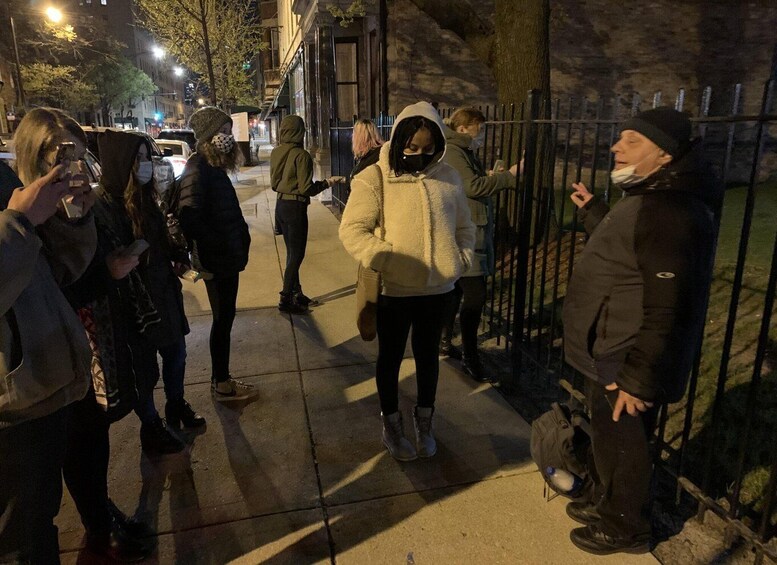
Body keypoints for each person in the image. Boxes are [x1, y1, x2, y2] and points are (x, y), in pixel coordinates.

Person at [562, 107, 716, 555]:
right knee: (606, 435)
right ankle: (603, 500)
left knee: (624, 443)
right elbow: (631, 251)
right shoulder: (651, 196)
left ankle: (625, 527)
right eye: (620, 137)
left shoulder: (670, 209)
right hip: (610, 340)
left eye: (632, 140)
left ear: (664, 155)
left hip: (627, 350)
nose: (617, 146)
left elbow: (669, 305)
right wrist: (596, 212)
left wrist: (638, 376)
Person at [339, 101, 476, 462]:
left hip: (438, 290)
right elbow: (353, 230)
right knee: (390, 359)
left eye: (427, 148)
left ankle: (425, 422)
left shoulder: (448, 177)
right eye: (412, 147)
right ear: (399, 140)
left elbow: (465, 227)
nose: (418, 155)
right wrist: (387, 259)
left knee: (429, 358)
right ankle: (392, 425)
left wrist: (459, 260)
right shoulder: (375, 177)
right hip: (394, 292)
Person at [0, 109, 97, 563]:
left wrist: (73, 220)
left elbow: (57, 274)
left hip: (44, 389)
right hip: (14, 406)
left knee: (39, 524)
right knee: (21, 542)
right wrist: (19, 222)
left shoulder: (6, 183)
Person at [94, 129, 205, 452]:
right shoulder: (103, 206)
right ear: (122, 163)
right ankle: (151, 425)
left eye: (146, 157)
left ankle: (176, 404)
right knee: (143, 370)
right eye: (138, 159)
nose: (145, 165)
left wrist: (178, 256)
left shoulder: (146, 198)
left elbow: (162, 240)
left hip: (164, 293)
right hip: (135, 304)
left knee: (176, 355)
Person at [439, 107, 519, 382]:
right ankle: (471, 358)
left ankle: (445, 342)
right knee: (475, 297)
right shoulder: (454, 151)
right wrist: (509, 176)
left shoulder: (462, 151)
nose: (481, 134)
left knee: (456, 293)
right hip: (466, 235)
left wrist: (490, 175)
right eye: (479, 128)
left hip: (466, 230)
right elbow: (472, 187)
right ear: (464, 128)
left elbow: (469, 182)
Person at [178, 107, 253, 399]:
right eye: (223, 131)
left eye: (229, 131)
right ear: (208, 135)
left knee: (226, 318)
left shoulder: (211, 167)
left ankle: (221, 379)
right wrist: (219, 244)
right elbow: (189, 217)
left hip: (225, 259)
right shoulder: (198, 168)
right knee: (222, 320)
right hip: (216, 261)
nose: (228, 137)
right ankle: (221, 382)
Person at [270, 115, 345, 314]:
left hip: (281, 205)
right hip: (295, 208)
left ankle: (297, 293)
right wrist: (328, 182)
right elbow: (306, 188)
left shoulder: (276, 152)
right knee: (297, 254)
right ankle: (286, 298)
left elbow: (274, 184)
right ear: (300, 132)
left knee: (291, 253)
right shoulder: (301, 155)